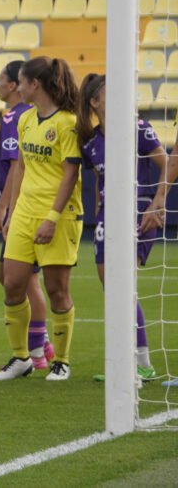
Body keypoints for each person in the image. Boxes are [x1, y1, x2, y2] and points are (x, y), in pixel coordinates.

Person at [0, 57, 82, 383]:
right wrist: (11, 211)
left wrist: (52, 217)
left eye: (21, 80)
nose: (16, 86)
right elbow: (19, 166)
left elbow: (70, 173)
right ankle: (21, 358)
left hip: (57, 217)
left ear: (35, 84)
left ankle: (62, 360)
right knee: (13, 284)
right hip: (25, 214)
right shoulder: (26, 119)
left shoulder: (68, 123)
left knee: (57, 289)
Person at [76, 73, 167, 382]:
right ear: (95, 102)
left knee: (124, 286)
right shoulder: (92, 142)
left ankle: (141, 363)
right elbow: (100, 178)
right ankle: (122, 360)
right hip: (107, 218)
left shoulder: (138, 129)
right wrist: (100, 210)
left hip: (139, 211)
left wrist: (158, 201)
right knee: (111, 289)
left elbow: (166, 162)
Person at [0, 60, 55, 374]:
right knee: (12, 278)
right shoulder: (11, 118)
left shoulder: (18, 118)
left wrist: (5, 209)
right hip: (22, 207)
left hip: (25, 208)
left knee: (26, 281)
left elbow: (17, 166)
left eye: (1, 79)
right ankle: (41, 344)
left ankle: (38, 349)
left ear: (15, 84)